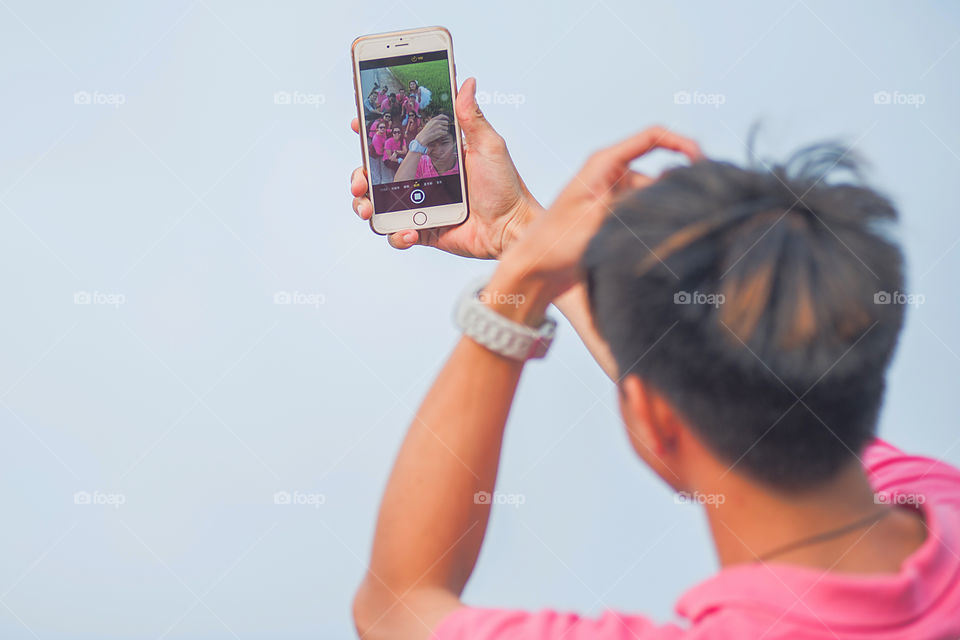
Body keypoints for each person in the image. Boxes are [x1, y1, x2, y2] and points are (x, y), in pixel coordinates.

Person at [347, 78, 960, 639]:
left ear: (653, 417)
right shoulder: (938, 496)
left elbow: (396, 607)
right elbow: (735, 384)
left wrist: (521, 286)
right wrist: (520, 236)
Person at [393, 114, 459, 181]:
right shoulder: (419, 163)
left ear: (454, 141)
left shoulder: (464, 163)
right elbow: (400, 185)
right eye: (431, 144)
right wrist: (418, 141)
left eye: (444, 143)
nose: (438, 151)